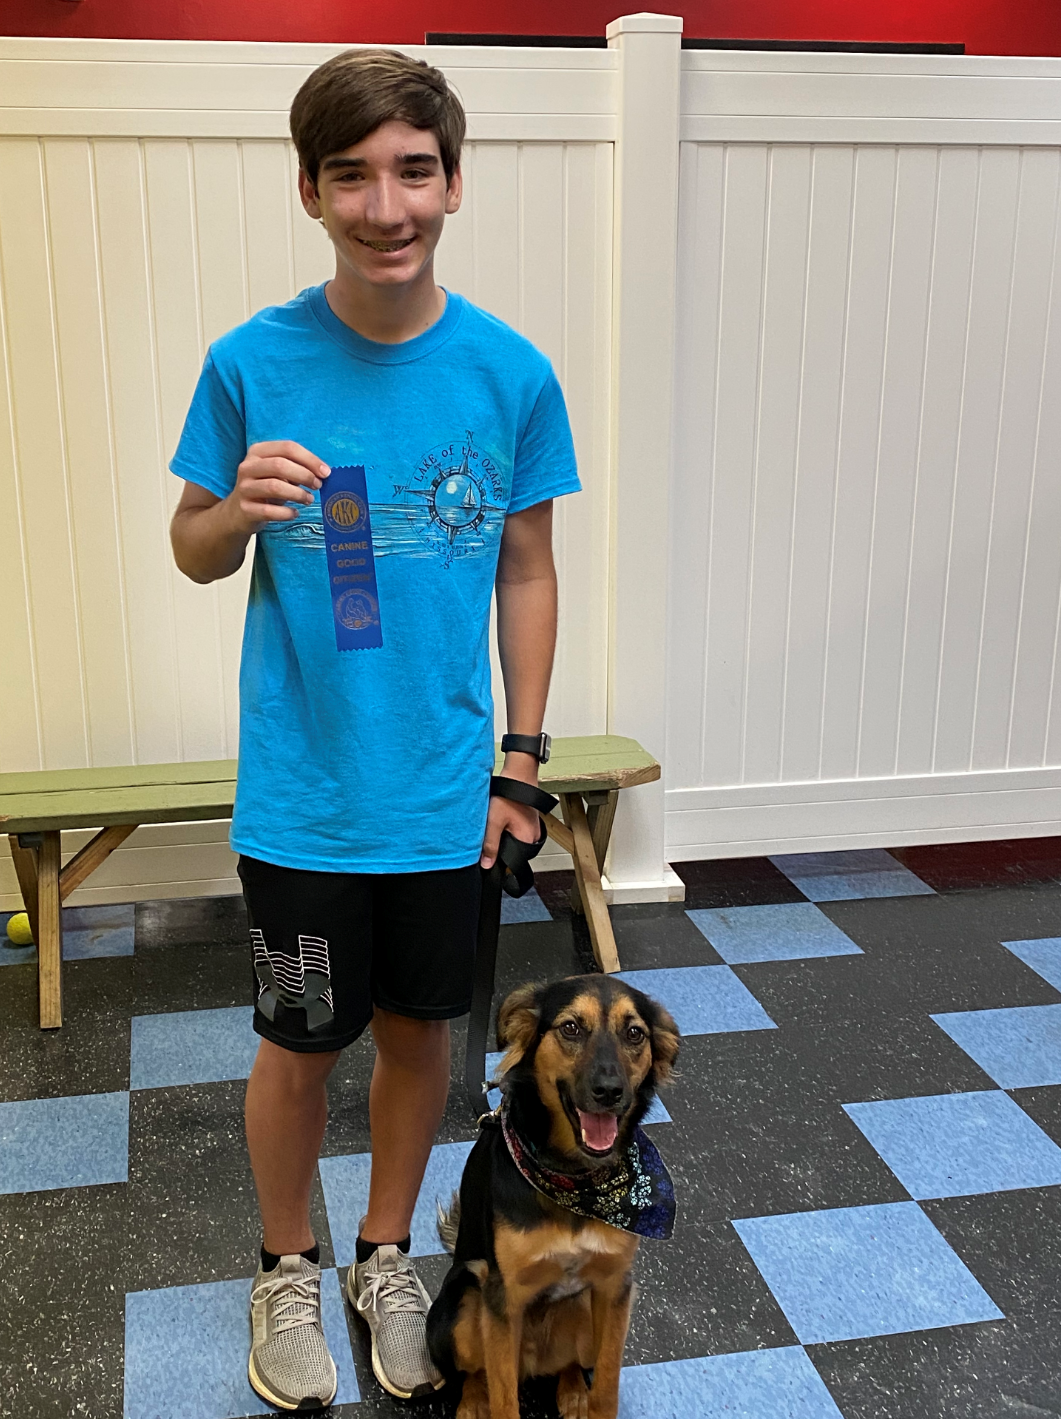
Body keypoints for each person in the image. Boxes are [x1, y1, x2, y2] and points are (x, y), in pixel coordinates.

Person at [168, 47, 580, 1410]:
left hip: (447, 792)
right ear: (310, 189)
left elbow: (527, 568)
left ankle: (382, 1254)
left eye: (414, 169)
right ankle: (284, 1263)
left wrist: (521, 765)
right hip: (303, 797)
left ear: (453, 181)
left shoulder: (511, 373)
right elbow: (192, 552)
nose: (386, 203)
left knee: (422, 1036)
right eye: (353, 174)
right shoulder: (253, 362)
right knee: (297, 1041)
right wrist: (236, 506)